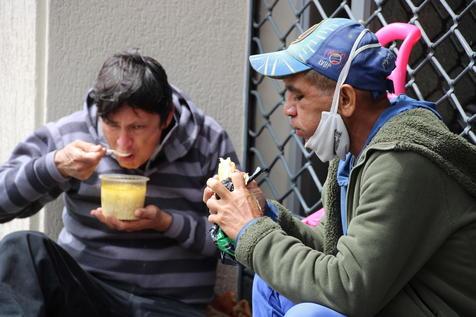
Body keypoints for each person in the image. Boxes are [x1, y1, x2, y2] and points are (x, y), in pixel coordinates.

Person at [204, 18, 476, 316]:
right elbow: (329, 244)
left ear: (345, 99)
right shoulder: (354, 149)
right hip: (391, 297)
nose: (287, 109)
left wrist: (251, 231)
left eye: (299, 95)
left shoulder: (400, 162)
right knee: (270, 281)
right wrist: (263, 213)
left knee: (309, 315)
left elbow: (348, 287)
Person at [0, 49, 238, 316]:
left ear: (167, 118)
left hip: (172, 306)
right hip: (89, 294)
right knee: (23, 247)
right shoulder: (71, 136)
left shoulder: (208, 143)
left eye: (137, 127)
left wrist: (167, 223)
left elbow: (235, 244)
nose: (123, 143)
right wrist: (54, 166)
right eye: (112, 125)